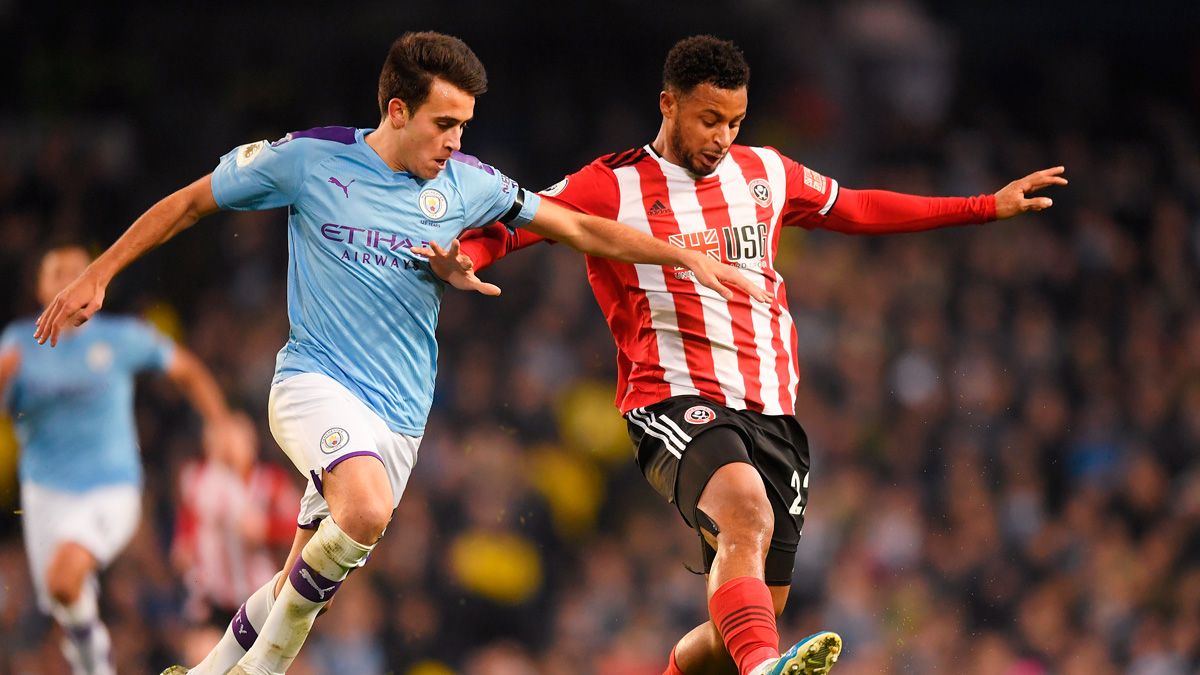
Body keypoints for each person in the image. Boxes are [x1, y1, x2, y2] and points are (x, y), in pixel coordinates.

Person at [32, 31, 767, 675]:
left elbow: (583, 228)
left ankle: (213, 668)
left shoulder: (469, 183)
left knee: (304, 569)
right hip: (313, 381)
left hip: (400, 419)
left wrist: (682, 257)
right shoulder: (308, 161)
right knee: (364, 508)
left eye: (464, 126)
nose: (455, 142)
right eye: (444, 124)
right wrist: (101, 272)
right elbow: (191, 201)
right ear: (397, 111)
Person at [435, 35, 1068, 675]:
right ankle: (766, 670)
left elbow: (858, 208)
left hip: (772, 417)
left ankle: (745, 660)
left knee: (739, 620)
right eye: (709, 120)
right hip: (674, 401)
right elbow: (516, 222)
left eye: (734, 122)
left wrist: (985, 206)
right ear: (670, 105)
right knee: (745, 515)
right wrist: (467, 257)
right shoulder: (612, 185)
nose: (722, 137)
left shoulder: (764, 172)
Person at [0, 245, 233, 675]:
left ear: (94, 282)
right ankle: (91, 653)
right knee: (63, 597)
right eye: (57, 273)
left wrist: (221, 422)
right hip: (43, 493)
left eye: (78, 271)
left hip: (111, 487)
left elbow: (185, 369)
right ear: (40, 287)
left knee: (65, 578)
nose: (68, 280)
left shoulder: (120, 337)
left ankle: (93, 662)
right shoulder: (17, 346)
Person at [172, 411, 299, 639]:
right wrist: (184, 543)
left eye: (235, 440)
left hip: (256, 593)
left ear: (251, 443)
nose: (228, 449)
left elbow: (301, 523)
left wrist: (267, 529)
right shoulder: (198, 479)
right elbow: (189, 519)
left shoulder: (270, 482)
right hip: (211, 595)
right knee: (203, 656)